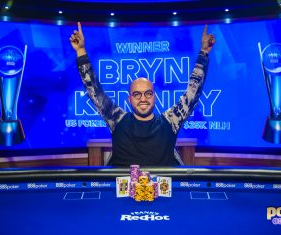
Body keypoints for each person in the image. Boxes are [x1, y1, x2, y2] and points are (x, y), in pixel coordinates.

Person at [70, 22, 215, 166]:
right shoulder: (117, 119)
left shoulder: (170, 121)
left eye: (148, 93)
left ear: (154, 96)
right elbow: (94, 90)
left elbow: (192, 92)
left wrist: (204, 53)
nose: (143, 99)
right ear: (129, 99)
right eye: (137, 95)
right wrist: (81, 51)